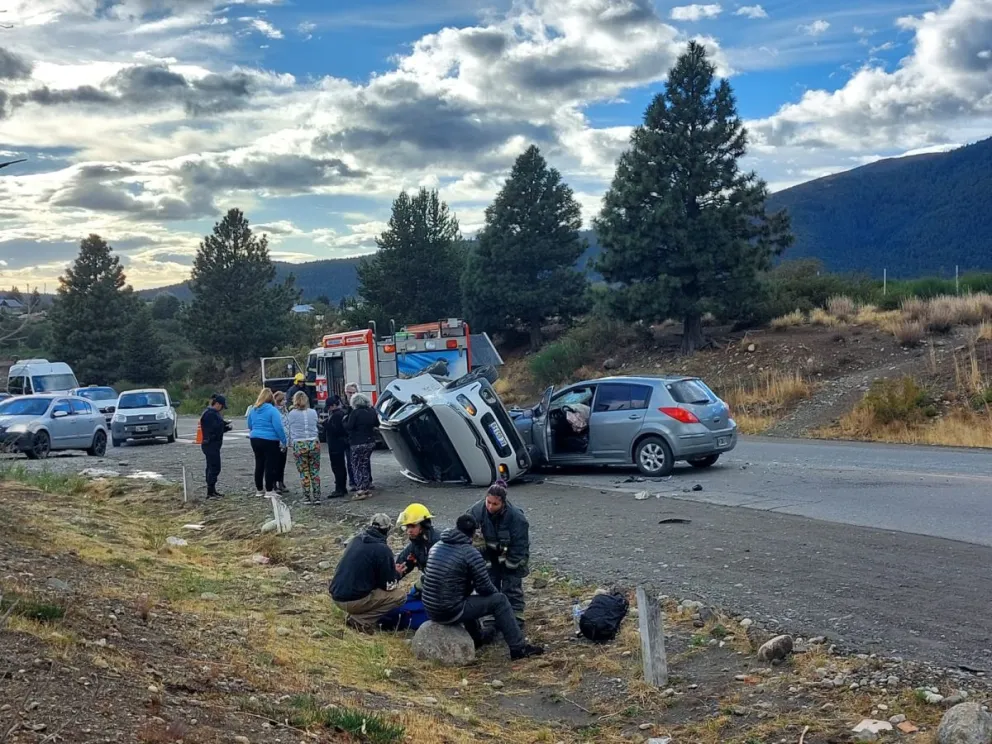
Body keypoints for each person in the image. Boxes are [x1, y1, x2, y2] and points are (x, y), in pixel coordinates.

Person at [421, 515, 543, 660]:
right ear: (473, 532)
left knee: (464, 598)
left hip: (431, 608)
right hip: (449, 611)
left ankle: (477, 639)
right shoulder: (469, 552)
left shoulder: (437, 545)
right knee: (500, 601)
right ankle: (519, 648)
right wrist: (498, 600)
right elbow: (484, 588)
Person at [467, 480, 530, 628]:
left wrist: (511, 564)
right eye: (488, 502)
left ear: (503, 503)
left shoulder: (517, 518)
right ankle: (490, 615)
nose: (490, 506)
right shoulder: (476, 511)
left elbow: (521, 544)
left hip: (511, 555)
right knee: (489, 584)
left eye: (495, 504)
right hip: (488, 555)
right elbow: (464, 529)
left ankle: (516, 618)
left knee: (512, 586)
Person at [329, 513, 406, 632]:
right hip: (353, 601)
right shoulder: (382, 549)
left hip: (336, 596)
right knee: (399, 595)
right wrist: (397, 574)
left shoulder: (355, 540)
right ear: (388, 529)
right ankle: (361, 620)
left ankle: (356, 616)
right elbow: (389, 586)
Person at [246, 387, 287, 498]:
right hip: (270, 439)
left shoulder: (253, 410)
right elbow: (278, 427)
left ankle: (259, 489)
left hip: (255, 438)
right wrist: (284, 440)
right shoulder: (272, 410)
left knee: (259, 464)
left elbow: (249, 424)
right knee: (270, 464)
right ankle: (269, 489)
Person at [395, 503, 440, 591]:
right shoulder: (415, 545)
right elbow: (401, 563)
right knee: (406, 602)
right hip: (429, 583)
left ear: (424, 525)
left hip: (445, 589)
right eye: (407, 527)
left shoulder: (439, 544)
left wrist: (423, 583)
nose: (409, 531)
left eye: (412, 526)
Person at [288, 391, 321, 505]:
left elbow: (290, 428)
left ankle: (306, 496)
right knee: (315, 471)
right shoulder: (313, 412)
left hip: (300, 443)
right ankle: (317, 496)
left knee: (304, 471)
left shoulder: (292, 414)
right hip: (313, 442)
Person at [345, 392, 378, 500]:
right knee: (364, 464)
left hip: (357, 442)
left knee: (356, 465)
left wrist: (344, 421)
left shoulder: (355, 413)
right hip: (370, 442)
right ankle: (366, 486)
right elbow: (377, 424)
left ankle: (360, 489)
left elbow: (349, 426)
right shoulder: (372, 411)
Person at [199, 394, 231, 498]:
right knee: (214, 467)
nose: (222, 409)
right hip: (210, 444)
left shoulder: (211, 413)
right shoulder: (210, 414)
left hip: (211, 444)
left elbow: (217, 427)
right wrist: (224, 426)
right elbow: (214, 429)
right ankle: (210, 491)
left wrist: (225, 426)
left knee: (211, 467)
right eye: (222, 406)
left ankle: (212, 490)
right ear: (217, 404)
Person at [323, 395, 349, 498]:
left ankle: (340, 488)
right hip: (339, 443)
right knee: (340, 466)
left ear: (334, 405)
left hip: (336, 444)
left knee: (337, 467)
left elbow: (336, 430)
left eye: (329, 406)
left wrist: (325, 424)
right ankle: (341, 487)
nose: (328, 409)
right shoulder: (341, 413)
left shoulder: (337, 415)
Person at [272, 391, 291, 495]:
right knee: (275, 463)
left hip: (285, 439)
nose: (285, 401)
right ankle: (274, 483)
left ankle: (281, 482)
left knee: (282, 463)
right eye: (283, 400)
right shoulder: (275, 411)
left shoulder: (285, 411)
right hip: (276, 440)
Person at [343, 382, 359, 491]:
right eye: (349, 392)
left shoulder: (359, 405)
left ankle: (365, 481)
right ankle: (353, 482)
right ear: (345, 393)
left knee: (361, 462)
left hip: (357, 438)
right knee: (350, 462)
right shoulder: (342, 405)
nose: (351, 395)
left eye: (353, 392)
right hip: (347, 439)